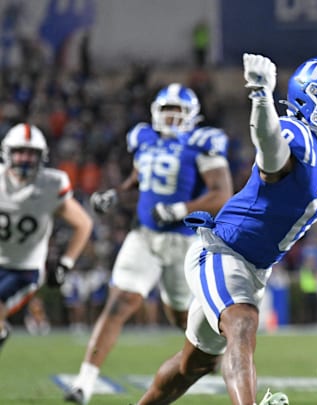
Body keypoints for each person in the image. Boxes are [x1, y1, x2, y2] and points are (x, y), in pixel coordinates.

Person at [136, 53, 317, 405]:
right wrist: (261, 98)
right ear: (308, 98)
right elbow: (270, 152)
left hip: (254, 268)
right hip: (221, 251)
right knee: (242, 323)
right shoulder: (297, 133)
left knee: (194, 364)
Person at [64, 83, 233, 404]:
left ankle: (212, 358)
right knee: (120, 302)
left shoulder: (202, 143)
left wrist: (179, 209)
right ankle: (83, 384)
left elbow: (222, 194)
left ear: (191, 116)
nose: (171, 118)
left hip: (185, 241)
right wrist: (117, 194)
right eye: (166, 111)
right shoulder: (145, 139)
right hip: (144, 234)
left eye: (177, 111)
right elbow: (138, 180)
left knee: (183, 318)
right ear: (156, 113)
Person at [0, 123, 93, 353]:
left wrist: (65, 263)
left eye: (31, 153)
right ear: (7, 152)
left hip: (24, 270)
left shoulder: (50, 185)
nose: (24, 158)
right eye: (20, 152)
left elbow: (83, 223)